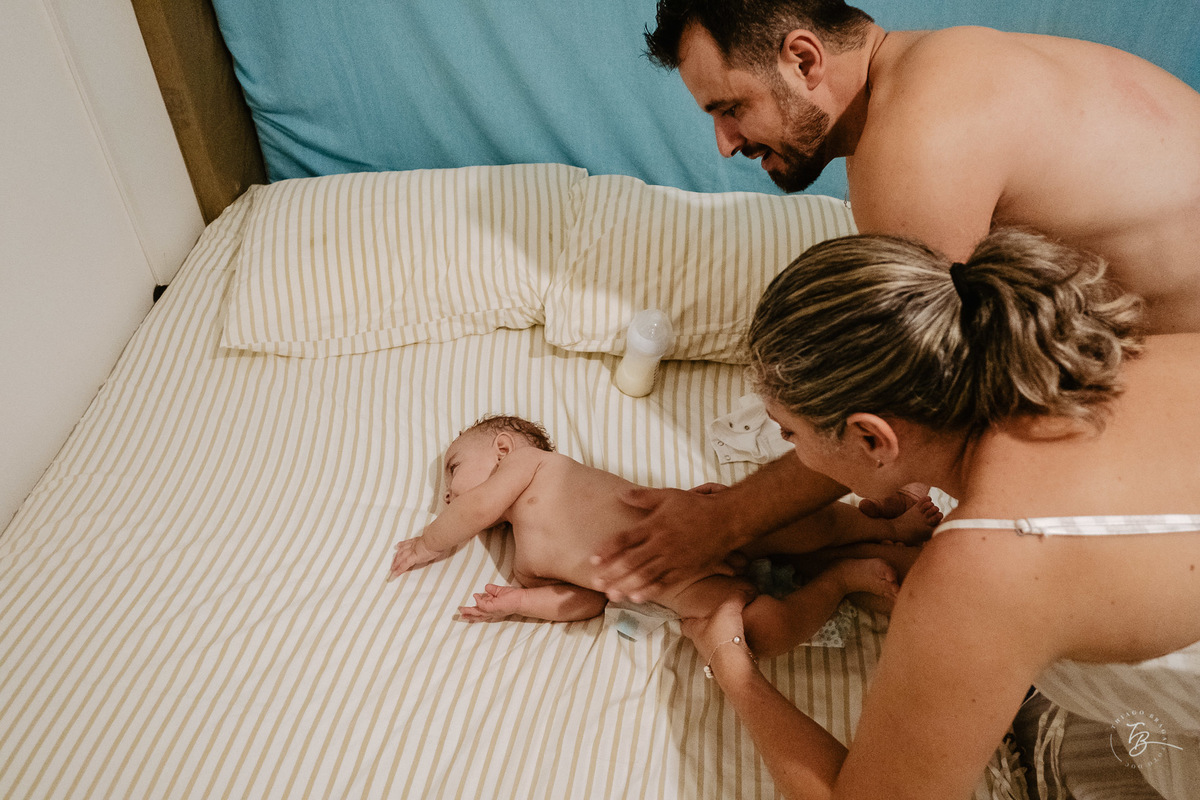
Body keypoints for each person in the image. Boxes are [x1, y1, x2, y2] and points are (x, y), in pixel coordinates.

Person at [591, 0, 1200, 601]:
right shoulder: (946, 60)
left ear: (804, 59)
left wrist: (723, 520)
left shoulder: (913, 146)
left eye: (732, 108)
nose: (725, 143)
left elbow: (892, 396)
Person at [683, 227, 1200, 798]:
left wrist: (731, 665)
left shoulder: (987, 560)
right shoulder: (1115, 353)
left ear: (872, 439)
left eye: (790, 431)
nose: (791, 450)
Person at [387, 415, 940, 659]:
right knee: (760, 635)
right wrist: (523, 601)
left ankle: (883, 525)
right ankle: (844, 578)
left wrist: (432, 542)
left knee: (798, 525)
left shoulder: (533, 465)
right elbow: (585, 601)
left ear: (504, 447)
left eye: (452, 471)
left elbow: (478, 505)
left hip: (698, 520)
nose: (449, 495)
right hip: (686, 591)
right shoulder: (526, 560)